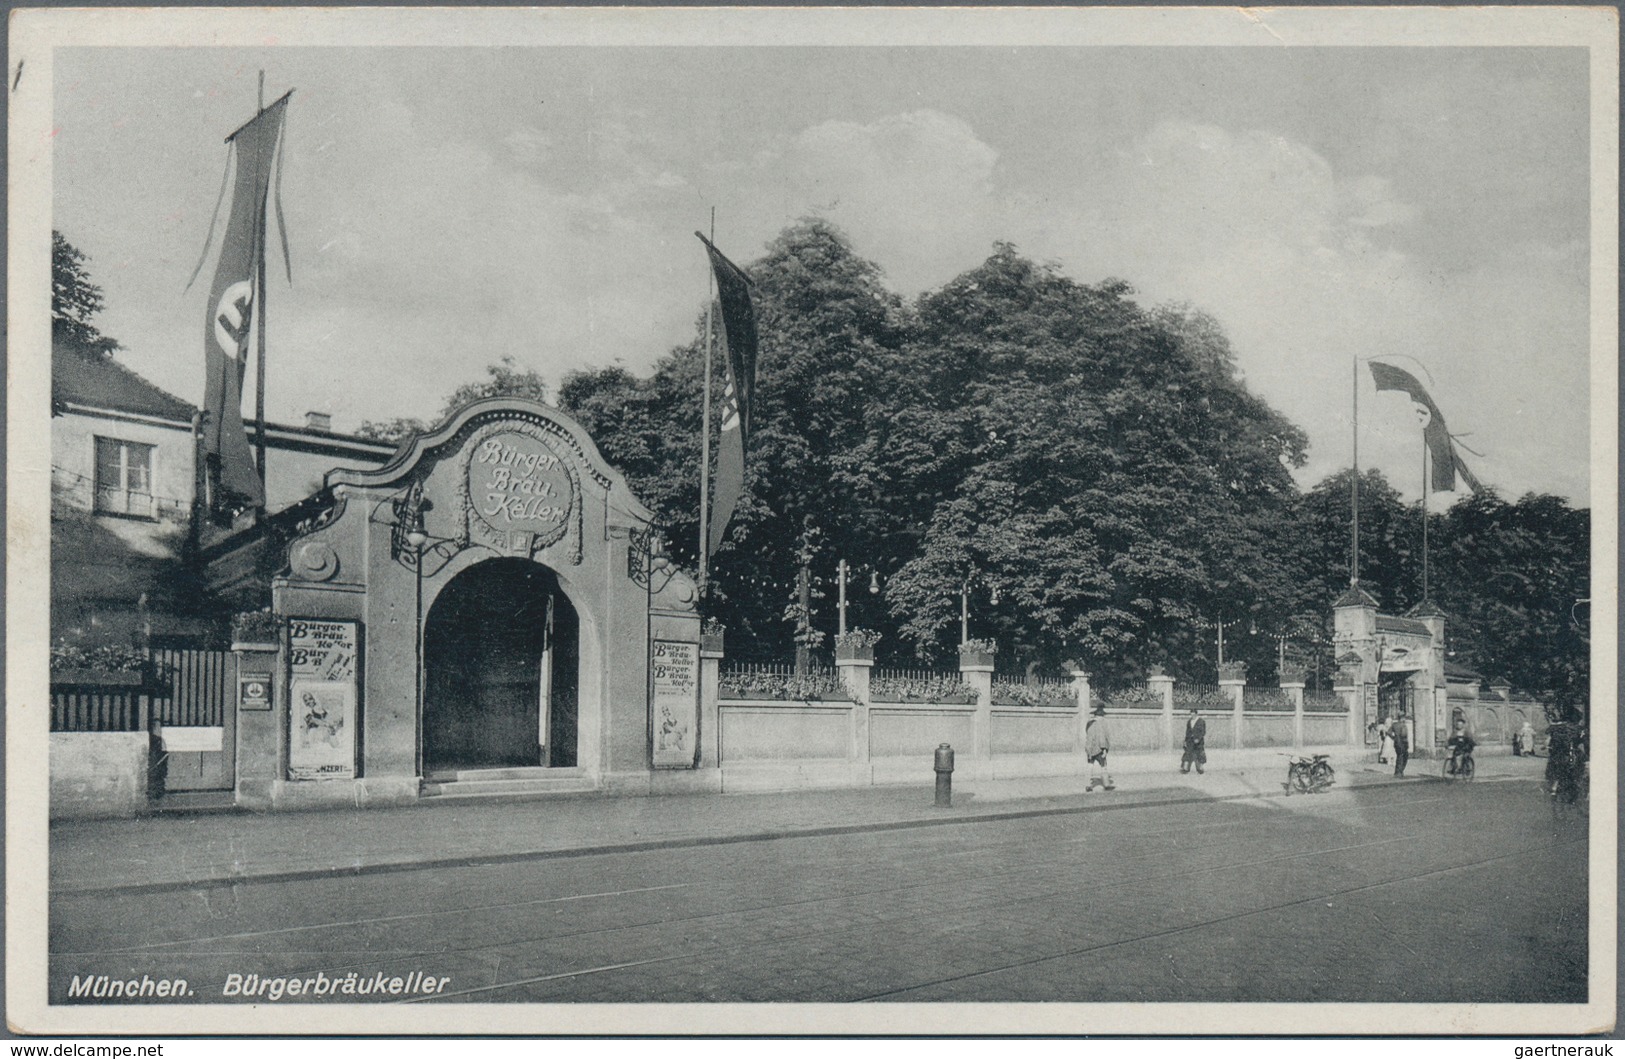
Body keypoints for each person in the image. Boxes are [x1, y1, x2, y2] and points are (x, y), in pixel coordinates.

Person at [1085, 705, 1114, 791]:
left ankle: (1088, 785)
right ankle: (1106, 784)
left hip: (1089, 748)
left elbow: (1087, 734)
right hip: (1099, 749)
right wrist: (1104, 749)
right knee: (1103, 765)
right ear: (1101, 716)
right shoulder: (1101, 724)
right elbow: (1102, 737)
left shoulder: (1089, 723)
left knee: (1090, 765)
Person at [1181, 707, 1206, 775]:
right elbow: (1187, 732)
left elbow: (1203, 732)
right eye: (1191, 715)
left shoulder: (1201, 721)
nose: (1192, 716)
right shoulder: (1189, 721)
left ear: (1196, 714)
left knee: (1199, 754)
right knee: (1188, 752)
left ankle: (1200, 768)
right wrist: (1185, 740)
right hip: (1190, 740)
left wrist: (1198, 739)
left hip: (1198, 741)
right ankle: (1185, 768)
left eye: (1193, 715)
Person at [1390, 713, 1409, 777]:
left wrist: (1394, 737)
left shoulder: (1394, 725)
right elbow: (1404, 734)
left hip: (1396, 743)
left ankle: (1397, 772)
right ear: (1402, 718)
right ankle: (1400, 772)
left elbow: (1388, 732)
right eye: (1404, 718)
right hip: (1403, 743)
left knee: (1399, 756)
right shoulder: (1403, 725)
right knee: (1404, 757)